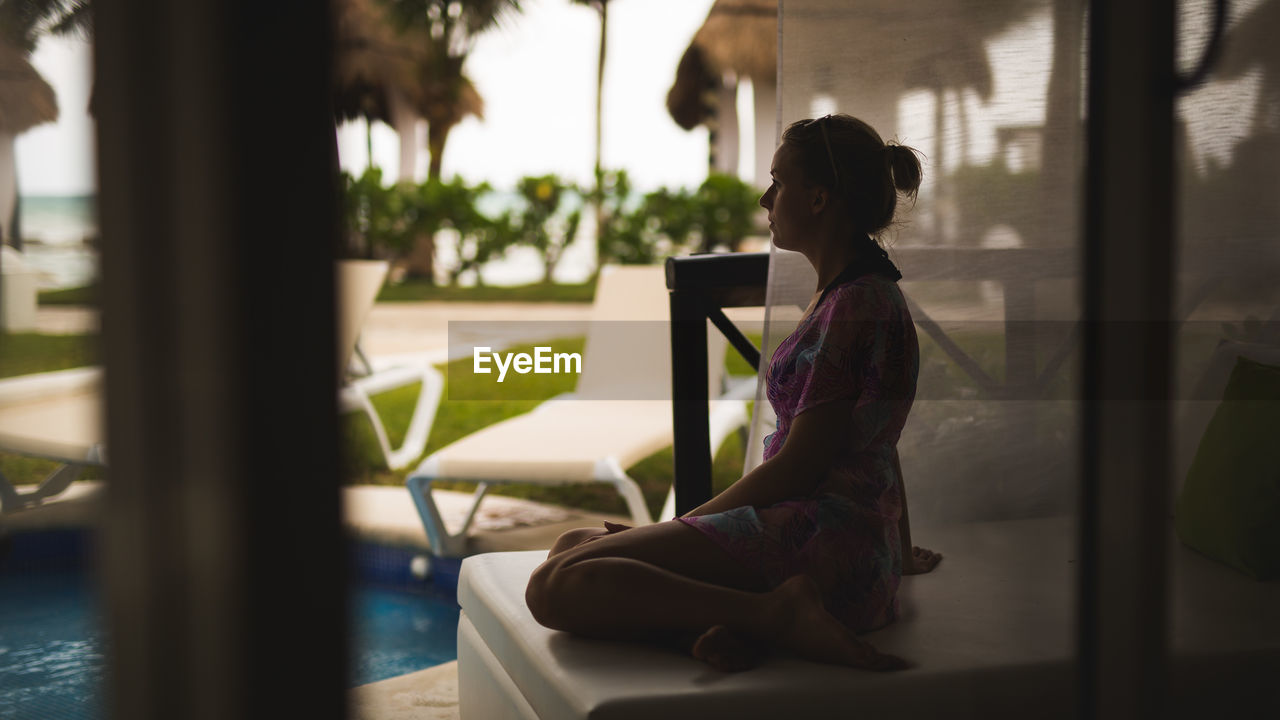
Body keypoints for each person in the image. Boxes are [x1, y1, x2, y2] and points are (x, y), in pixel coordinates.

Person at [525, 113, 940, 673]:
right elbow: (879, 442)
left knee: (552, 587)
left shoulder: (856, 306)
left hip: (824, 545)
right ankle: (730, 625)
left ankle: (777, 616)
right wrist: (898, 548)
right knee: (571, 544)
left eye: (779, 181)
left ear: (818, 198)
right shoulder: (858, 292)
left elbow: (798, 467)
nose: (766, 198)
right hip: (842, 537)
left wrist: (681, 527)